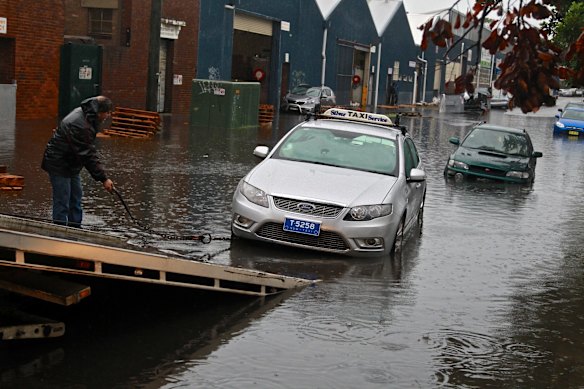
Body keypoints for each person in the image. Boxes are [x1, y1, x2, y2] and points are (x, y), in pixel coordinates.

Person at [41, 95, 115, 227]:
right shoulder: (80, 124)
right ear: (99, 112)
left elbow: (87, 150)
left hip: (72, 163)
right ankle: (59, 232)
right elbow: (87, 154)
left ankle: (75, 229)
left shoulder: (89, 114)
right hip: (58, 163)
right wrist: (104, 179)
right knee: (62, 200)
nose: (108, 115)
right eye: (107, 112)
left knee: (75, 198)